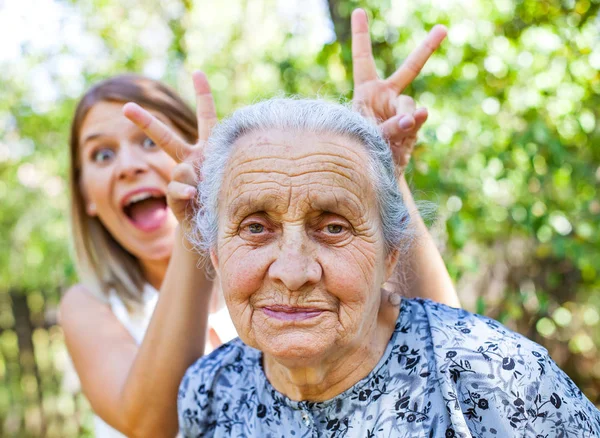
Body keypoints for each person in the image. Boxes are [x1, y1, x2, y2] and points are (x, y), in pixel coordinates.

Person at [59, 9, 459, 437]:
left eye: (146, 141)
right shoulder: (88, 307)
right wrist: (198, 222)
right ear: (86, 198)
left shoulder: (294, 260)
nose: (128, 166)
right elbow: (153, 426)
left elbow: (441, 338)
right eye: (101, 154)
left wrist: (380, 170)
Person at [177, 97, 600, 438]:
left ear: (390, 254)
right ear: (216, 253)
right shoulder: (210, 390)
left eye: (333, 227)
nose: (292, 271)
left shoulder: (499, 378)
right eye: (255, 227)